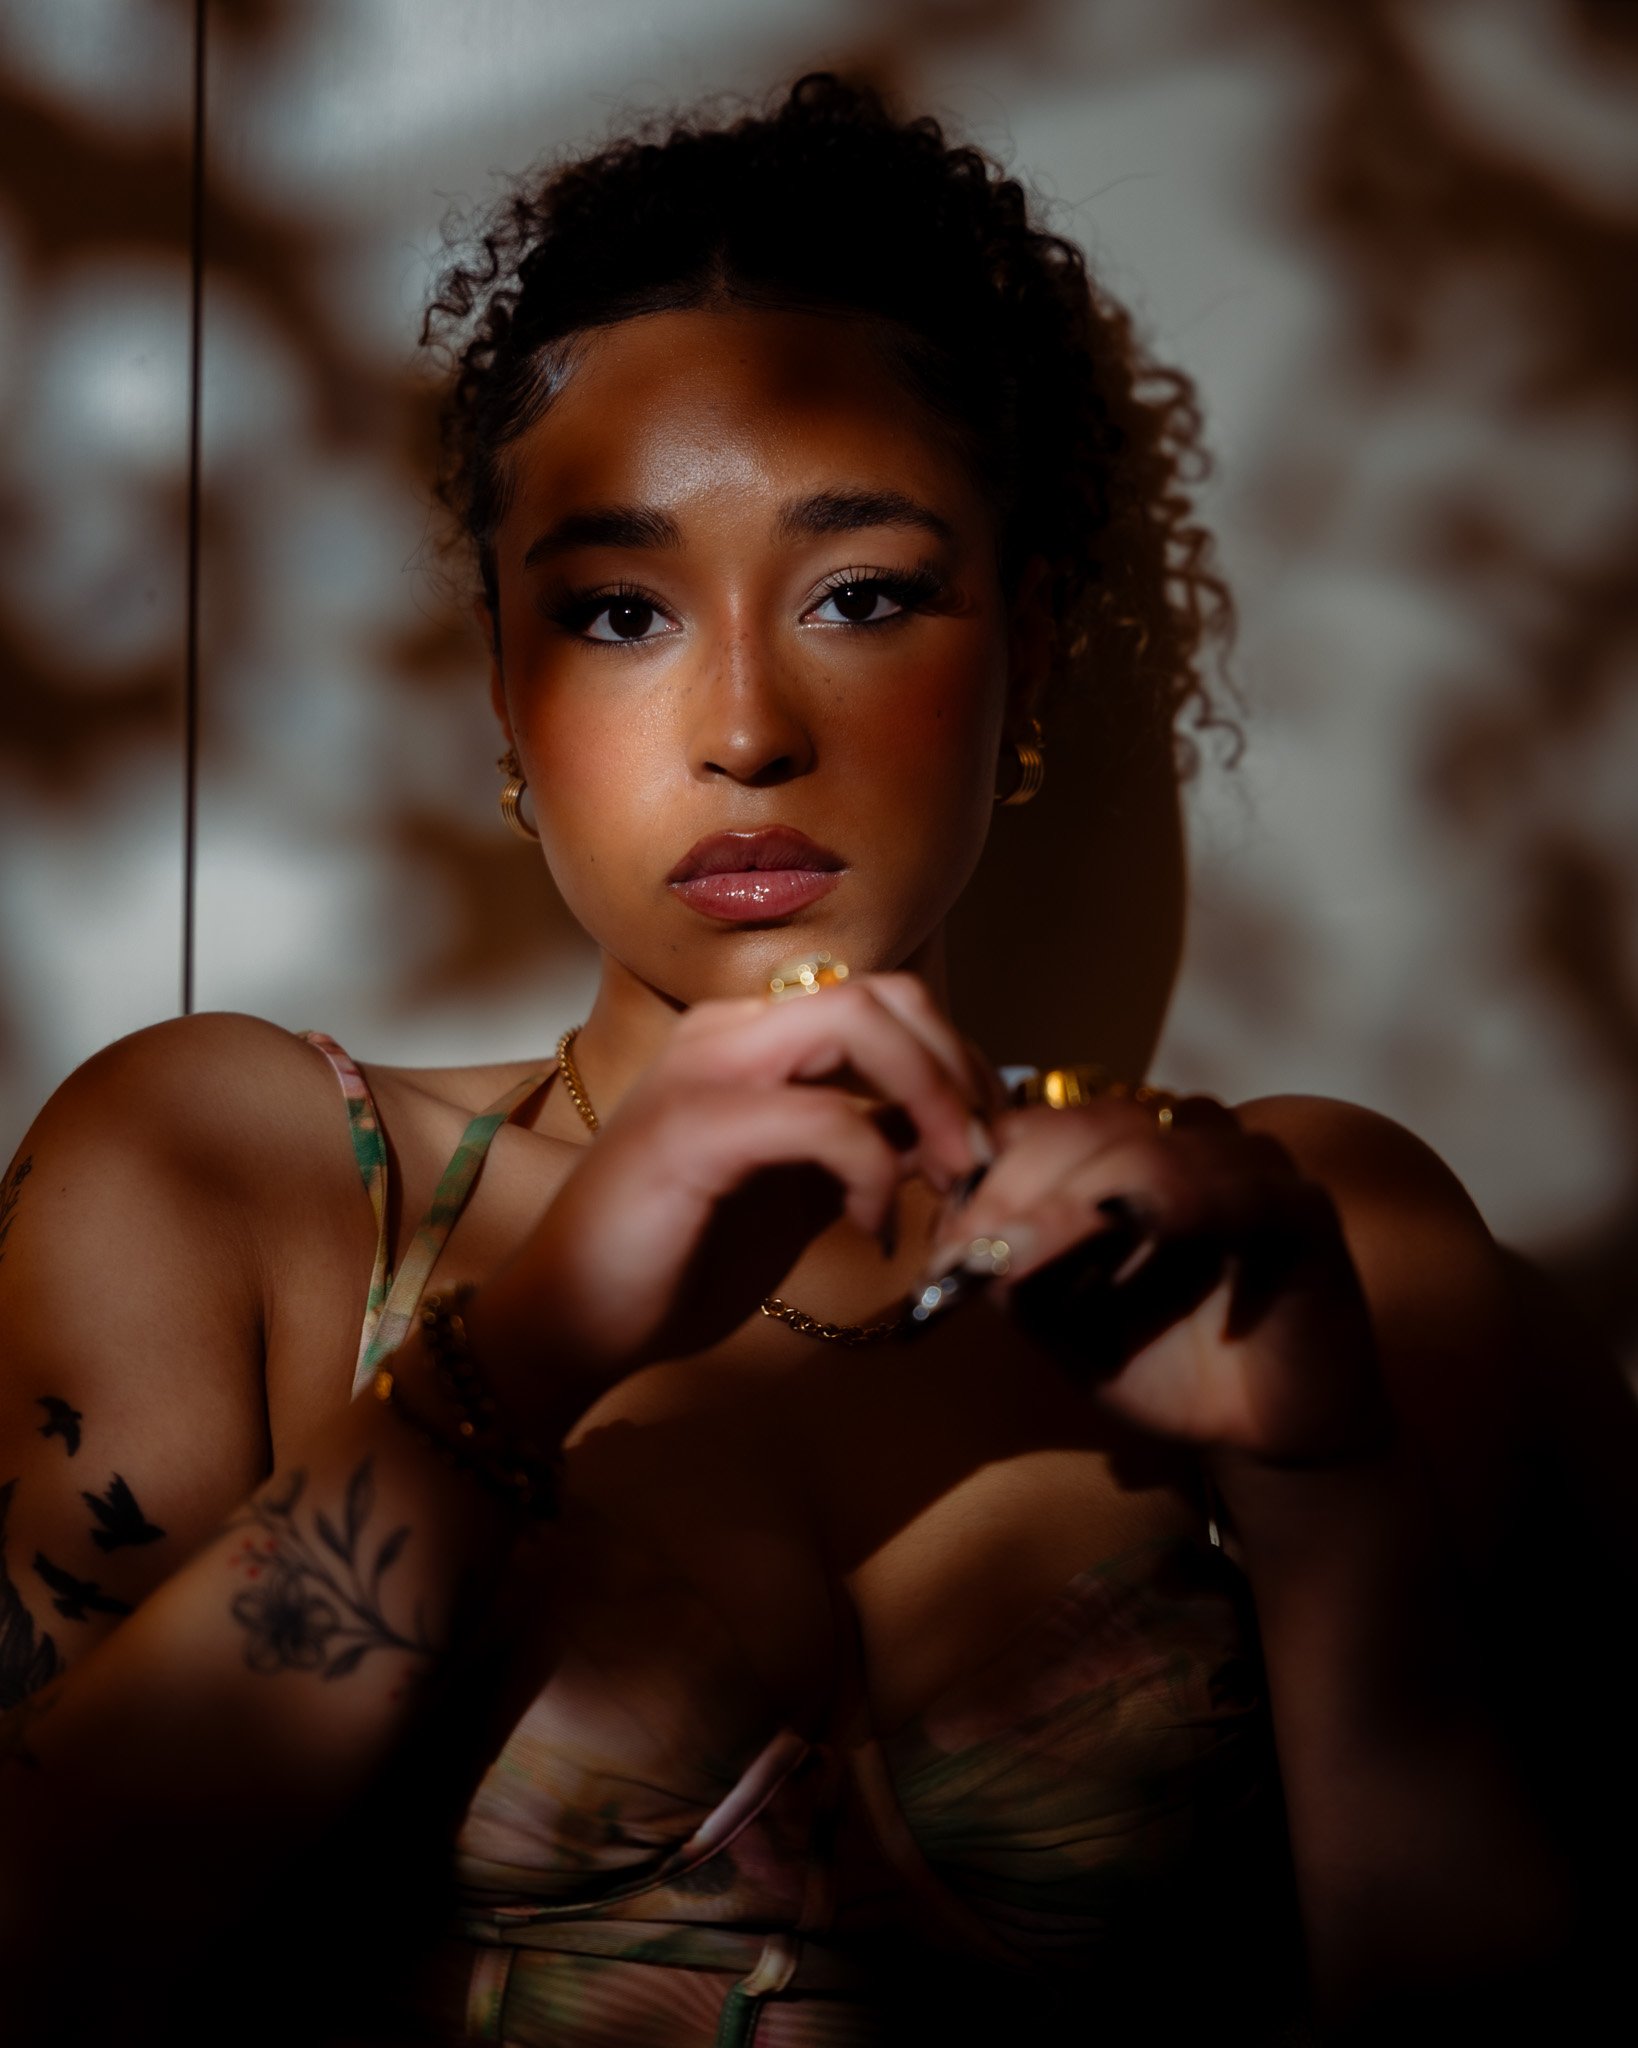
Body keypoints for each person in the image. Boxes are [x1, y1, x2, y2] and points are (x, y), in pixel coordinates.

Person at [1, 72, 1633, 2048]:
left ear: (1028, 646)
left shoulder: (1304, 1239)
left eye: (862, 595)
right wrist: (525, 1350)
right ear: (504, 692)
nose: (747, 727)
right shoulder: (235, 1179)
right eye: (617, 612)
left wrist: (1324, 1492)